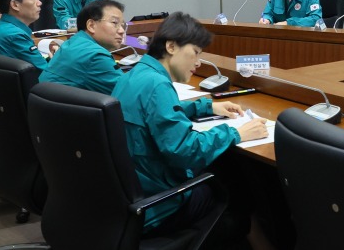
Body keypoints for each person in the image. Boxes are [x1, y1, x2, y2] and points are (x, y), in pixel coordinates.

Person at [111, 12, 267, 234]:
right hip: (157, 205)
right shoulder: (157, 85)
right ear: (171, 47)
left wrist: (204, 107)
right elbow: (186, 151)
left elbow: (154, 112)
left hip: (131, 193)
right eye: (195, 52)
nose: (198, 62)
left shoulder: (136, 74)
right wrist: (237, 133)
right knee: (234, 183)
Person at [38, 0, 128, 94]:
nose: (121, 31)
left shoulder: (73, 42)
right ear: (91, 25)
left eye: (123, 25)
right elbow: (128, 94)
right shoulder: (95, 56)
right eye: (114, 23)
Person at [0, 0, 54, 70]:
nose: (39, 3)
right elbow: (48, 73)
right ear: (15, 5)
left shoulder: (1, 26)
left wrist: (50, 59)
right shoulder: (16, 36)